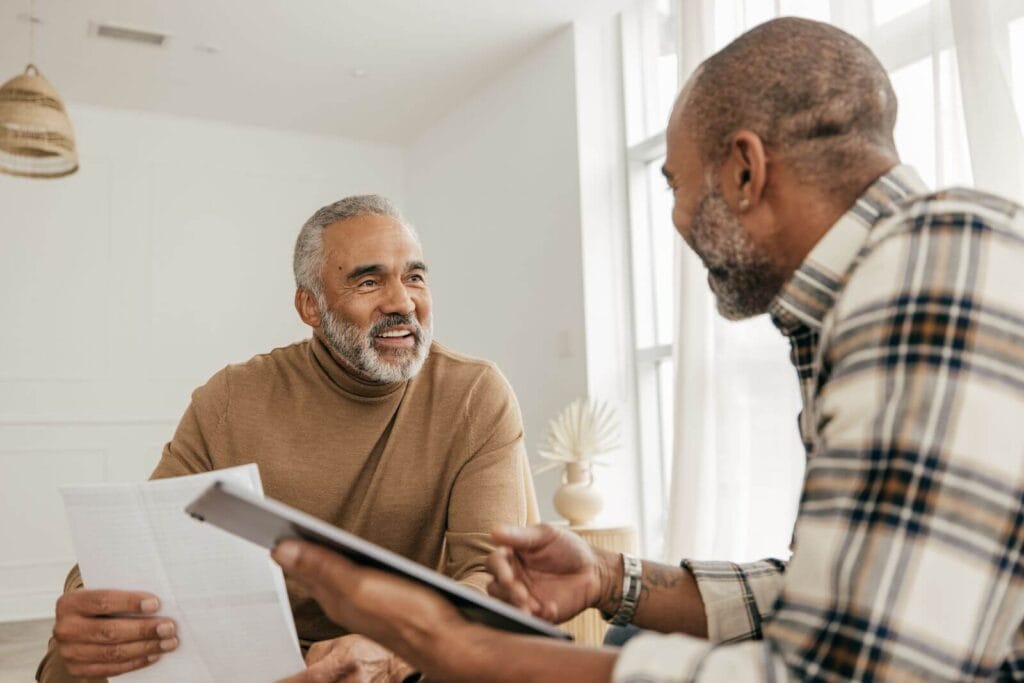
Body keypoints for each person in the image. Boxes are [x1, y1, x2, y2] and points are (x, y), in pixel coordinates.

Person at [267, 17, 1024, 682]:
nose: (677, 217)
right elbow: (843, 598)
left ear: (744, 169)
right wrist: (609, 576)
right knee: (631, 626)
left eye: (673, 184)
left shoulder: (933, 272)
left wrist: (456, 646)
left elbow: (847, 670)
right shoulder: (883, 282)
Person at [36, 195, 539, 683]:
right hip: (263, 651)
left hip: (407, 644)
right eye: (369, 280)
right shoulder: (232, 397)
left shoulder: (474, 393)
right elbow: (141, 539)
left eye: (415, 277)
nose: (402, 302)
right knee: (72, 659)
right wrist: (88, 604)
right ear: (311, 306)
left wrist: (396, 650)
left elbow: (491, 578)